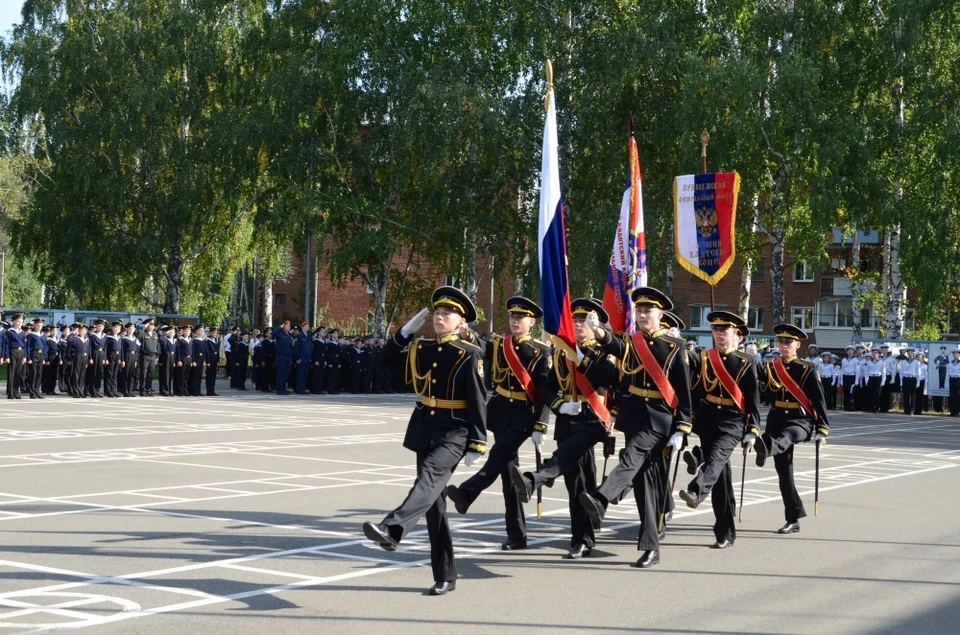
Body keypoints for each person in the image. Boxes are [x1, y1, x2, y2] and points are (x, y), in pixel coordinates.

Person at [362, 286, 487, 596]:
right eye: (437, 313)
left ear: (461, 322)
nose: (440, 317)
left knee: (428, 480)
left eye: (448, 313)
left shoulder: (469, 355)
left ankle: (393, 528)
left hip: (455, 432)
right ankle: (446, 574)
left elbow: (478, 399)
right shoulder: (422, 349)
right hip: (426, 429)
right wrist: (403, 333)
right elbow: (382, 361)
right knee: (434, 507)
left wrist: (477, 441)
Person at [446, 296, 551, 551]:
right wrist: (467, 333)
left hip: (523, 416)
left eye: (521, 318)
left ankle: (468, 492)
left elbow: (547, 391)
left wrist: (541, 424)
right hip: (500, 410)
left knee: (498, 455)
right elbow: (481, 347)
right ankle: (517, 535)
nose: (515, 321)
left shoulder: (540, 350)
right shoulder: (501, 344)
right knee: (508, 476)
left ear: (531, 322)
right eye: (513, 317)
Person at [678, 311, 760, 550]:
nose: (719, 334)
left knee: (715, 461)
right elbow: (696, 389)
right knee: (721, 478)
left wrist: (752, 429)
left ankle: (696, 491)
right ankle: (725, 531)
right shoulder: (704, 357)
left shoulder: (747, 362)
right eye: (715, 330)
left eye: (724, 330)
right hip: (708, 419)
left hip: (733, 420)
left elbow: (753, 399)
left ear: (736, 334)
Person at [750, 323, 829, 534]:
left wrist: (822, 429)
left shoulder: (808, 368)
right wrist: (750, 358)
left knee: (787, 436)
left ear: (797, 344)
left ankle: (765, 448)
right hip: (777, 418)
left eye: (788, 342)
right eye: (780, 341)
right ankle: (793, 518)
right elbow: (762, 388)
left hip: (800, 420)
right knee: (784, 475)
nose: (783, 345)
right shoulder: (771, 366)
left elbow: (819, 401)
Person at [86, 319, 107, 398]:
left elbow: (106, 348)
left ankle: (97, 390)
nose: (100, 327)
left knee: (99, 372)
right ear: (96, 326)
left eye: (102, 326)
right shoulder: (92, 336)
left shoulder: (104, 336)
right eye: (99, 326)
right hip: (94, 353)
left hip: (101, 353)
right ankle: (92, 391)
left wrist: (105, 358)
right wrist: (90, 357)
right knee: (93, 372)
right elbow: (90, 347)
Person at [139, 318, 159, 396]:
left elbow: (157, 346)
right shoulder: (143, 333)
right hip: (145, 356)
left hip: (153, 356)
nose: (151, 326)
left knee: (150, 374)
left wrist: (157, 357)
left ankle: (148, 389)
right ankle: (142, 390)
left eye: (153, 325)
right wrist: (143, 328)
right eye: (149, 325)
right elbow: (139, 337)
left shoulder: (155, 334)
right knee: (143, 374)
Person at [273, 321, 294, 395]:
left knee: (286, 374)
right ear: (283, 326)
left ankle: (284, 388)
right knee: (280, 374)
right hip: (281, 357)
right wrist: (279, 327)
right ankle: (279, 389)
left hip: (288, 357)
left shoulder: (290, 335)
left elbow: (291, 348)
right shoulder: (280, 334)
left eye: (289, 325)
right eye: (287, 325)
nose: (288, 327)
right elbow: (273, 333)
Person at [104, 321, 124, 398]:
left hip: (117, 356)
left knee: (115, 374)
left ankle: (114, 390)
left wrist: (121, 359)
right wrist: (105, 358)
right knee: (110, 374)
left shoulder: (119, 337)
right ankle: (109, 391)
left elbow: (121, 349)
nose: (116, 329)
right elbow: (105, 348)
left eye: (118, 328)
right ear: (112, 328)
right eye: (115, 327)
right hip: (111, 356)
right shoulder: (108, 337)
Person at [863, 348, 886, 413]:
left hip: (878, 378)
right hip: (871, 378)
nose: (874, 354)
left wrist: (883, 381)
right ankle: (871, 407)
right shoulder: (869, 362)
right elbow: (866, 372)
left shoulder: (882, 362)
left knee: (877, 394)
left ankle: (877, 407)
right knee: (870, 394)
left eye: (876, 353)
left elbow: (883, 373)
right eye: (873, 353)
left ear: (878, 354)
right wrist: (866, 380)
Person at [121, 322, 140, 397]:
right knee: (126, 374)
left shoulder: (135, 339)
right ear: (127, 329)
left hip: (133, 356)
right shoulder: (124, 339)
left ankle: (130, 390)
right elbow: (122, 350)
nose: (131, 330)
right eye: (130, 329)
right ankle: (125, 391)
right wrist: (122, 360)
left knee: (132, 375)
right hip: (127, 356)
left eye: (132, 329)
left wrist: (136, 360)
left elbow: (137, 350)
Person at [174, 325, 194, 396]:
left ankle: (185, 390)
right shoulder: (180, 340)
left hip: (189, 359)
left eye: (188, 331)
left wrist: (192, 360)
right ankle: (180, 390)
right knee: (181, 375)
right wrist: (178, 360)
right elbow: (178, 351)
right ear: (183, 332)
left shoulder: (191, 340)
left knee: (186, 375)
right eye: (186, 331)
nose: (187, 332)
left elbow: (192, 351)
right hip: (183, 358)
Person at [900, 348, 920, 415]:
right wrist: (901, 382)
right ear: (907, 353)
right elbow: (901, 372)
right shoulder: (903, 362)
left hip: (913, 378)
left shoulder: (916, 362)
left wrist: (918, 382)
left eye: (911, 352)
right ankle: (906, 410)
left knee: (913, 396)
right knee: (906, 395)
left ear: (913, 353)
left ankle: (912, 410)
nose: (910, 354)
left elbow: (918, 373)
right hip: (906, 378)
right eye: (908, 352)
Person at [294, 322, 312, 394]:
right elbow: (297, 348)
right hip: (301, 357)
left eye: (308, 326)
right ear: (302, 327)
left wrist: (310, 357)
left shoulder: (309, 335)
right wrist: (298, 357)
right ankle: (299, 389)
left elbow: (310, 347)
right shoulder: (299, 335)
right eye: (306, 326)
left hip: (307, 357)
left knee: (305, 374)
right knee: (300, 374)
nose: (307, 328)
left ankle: (303, 388)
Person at [189, 325, 207, 396]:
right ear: (197, 331)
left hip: (201, 358)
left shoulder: (204, 340)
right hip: (196, 358)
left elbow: (205, 351)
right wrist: (193, 361)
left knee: (199, 375)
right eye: (200, 330)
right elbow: (193, 351)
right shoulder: (194, 340)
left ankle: (198, 390)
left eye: (203, 331)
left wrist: (205, 360)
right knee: (194, 375)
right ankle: (193, 390)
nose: (202, 332)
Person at [840, 345, 857, 411]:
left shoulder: (855, 360)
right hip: (845, 376)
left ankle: (851, 406)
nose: (850, 352)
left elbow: (857, 370)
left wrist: (856, 380)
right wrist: (841, 379)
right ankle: (846, 406)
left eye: (851, 350)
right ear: (846, 352)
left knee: (851, 392)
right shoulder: (844, 360)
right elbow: (842, 370)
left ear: (853, 351)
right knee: (846, 392)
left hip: (852, 376)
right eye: (848, 350)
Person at [205, 327, 221, 396]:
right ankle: (209, 390)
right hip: (210, 359)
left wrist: (218, 359)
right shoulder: (207, 340)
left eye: (216, 333)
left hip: (214, 359)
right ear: (210, 333)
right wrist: (207, 361)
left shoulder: (217, 340)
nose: (215, 334)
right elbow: (207, 351)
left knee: (213, 376)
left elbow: (217, 351)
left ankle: (212, 390)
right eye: (213, 332)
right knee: (209, 375)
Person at [948, 349, 960, 417]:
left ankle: (957, 411)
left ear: (959, 355)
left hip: (958, 379)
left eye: (957, 354)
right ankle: (952, 411)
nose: (955, 355)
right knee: (952, 396)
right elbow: (948, 373)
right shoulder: (950, 363)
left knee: (957, 396)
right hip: (952, 379)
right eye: (954, 354)